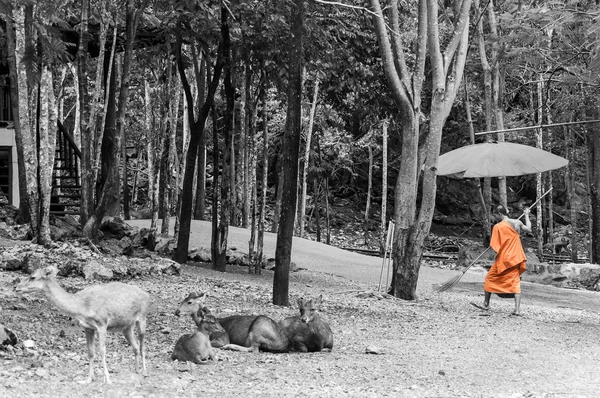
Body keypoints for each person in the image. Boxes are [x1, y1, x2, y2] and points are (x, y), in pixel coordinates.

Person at [471, 205, 532, 315]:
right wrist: (527, 215)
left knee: (490, 277)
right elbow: (529, 229)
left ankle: (486, 304)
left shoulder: (498, 227)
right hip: (516, 256)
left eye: (494, 215)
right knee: (515, 281)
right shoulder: (517, 222)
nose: (494, 218)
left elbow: (496, 245)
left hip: (505, 258)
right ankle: (517, 310)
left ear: (500, 214)